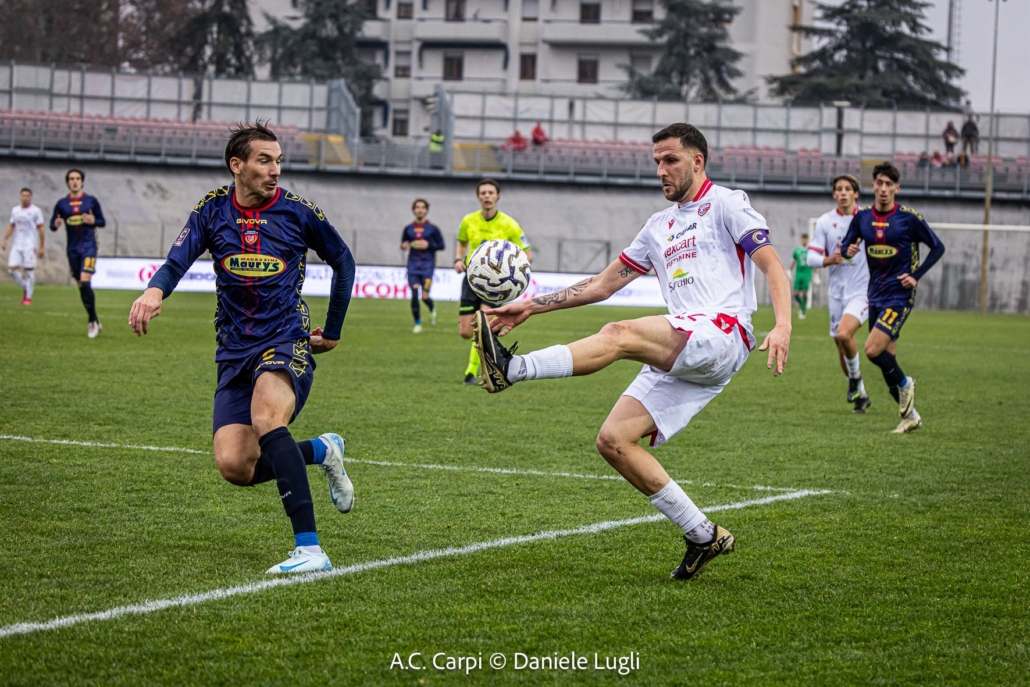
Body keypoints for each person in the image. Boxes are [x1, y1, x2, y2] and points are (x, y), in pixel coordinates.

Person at [472, 123, 792, 581]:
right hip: (686, 344)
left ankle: (512, 368)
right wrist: (530, 306)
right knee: (614, 440)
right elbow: (602, 285)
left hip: (722, 332)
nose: (661, 170)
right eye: (657, 162)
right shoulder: (657, 227)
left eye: (671, 160)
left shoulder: (727, 203)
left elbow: (772, 265)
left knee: (619, 333)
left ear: (697, 161)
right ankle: (703, 534)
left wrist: (782, 325)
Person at [128, 122, 357, 574]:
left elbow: (343, 260)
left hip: (285, 338)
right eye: (264, 160)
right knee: (236, 464)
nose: (275, 170)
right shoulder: (212, 210)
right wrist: (155, 291)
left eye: (278, 161)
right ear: (237, 165)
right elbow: (177, 259)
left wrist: (332, 330)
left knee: (266, 418)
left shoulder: (298, 212)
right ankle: (322, 451)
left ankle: (310, 550)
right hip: (233, 349)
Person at [841, 161, 945, 434]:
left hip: (899, 296)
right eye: (880, 183)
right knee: (887, 359)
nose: (884, 189)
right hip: (874, 295)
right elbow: (846, 244)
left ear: (896, 188)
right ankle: (910, 417)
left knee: (872, 350)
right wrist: (848, 250)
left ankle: (906, 384)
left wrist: (916, 275)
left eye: (889, 184)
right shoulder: (863, 217)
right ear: (873, 186)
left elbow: (937, 247)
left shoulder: (909, 218)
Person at [454, 179, 532, 385]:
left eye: (490, 192)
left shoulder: (510, 224)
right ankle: (485, 360)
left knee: (483, 325)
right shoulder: (468, 221)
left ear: (498, 196)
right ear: (478, 197)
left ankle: (471, 372)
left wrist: (508, 267)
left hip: (496, 284)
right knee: (465, 331)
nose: (487, 196)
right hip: (471, 279)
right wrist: (458, 259)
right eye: (483, 193)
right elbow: (462, 242)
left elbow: (527, 256)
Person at [806, 174, 871, 413]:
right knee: (841, 346)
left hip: (862, 290)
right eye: (839, 189)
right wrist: (829, 259)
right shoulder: (825, 222)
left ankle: (855, 380)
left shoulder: (869, 218)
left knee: (844, 334)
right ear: (834, 194)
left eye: (848, 189)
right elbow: (811, 257)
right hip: (836, 292)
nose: (843, 193)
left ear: (856, 194)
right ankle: (861, 393)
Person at [50, 169, 106, 337]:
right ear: (67, 182)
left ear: (82, 182)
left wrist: (93, 220)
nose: (74, 181)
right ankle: (95, 318)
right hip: (72, 249)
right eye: (71, 179)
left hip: (89, 247)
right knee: (81, 285)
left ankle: (91, 322)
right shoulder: (62, 204)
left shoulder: (91, 201)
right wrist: (56, 224)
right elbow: (52, 224)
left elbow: (102, 221)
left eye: (77, 178)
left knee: (85, 280)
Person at [401, 198, 445, 333]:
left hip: (427, 268)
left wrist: (429, 245)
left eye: (422, 207)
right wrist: (404, 245)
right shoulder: (408, 229)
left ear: (426, 210)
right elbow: (404, 243)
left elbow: (441, 245)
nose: (420, 210)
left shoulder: (433, 229)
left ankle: (432, 309)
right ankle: (417, 324)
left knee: (425, 296)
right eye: (417, 207)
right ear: (413, 210)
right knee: (414, 294)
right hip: (413, 267)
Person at [3, 188, 45, 305]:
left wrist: (41, 246)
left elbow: (41, 229)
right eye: (23, 196)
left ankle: (28, 297)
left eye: (27, 196)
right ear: (20, 197)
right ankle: (26, 287)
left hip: (30, 245)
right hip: (17, 245)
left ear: (30, 197)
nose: (25, 198)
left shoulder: (36, 211)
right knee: (11, 270)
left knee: (29, 270)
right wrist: (5, 239)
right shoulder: (15, 210)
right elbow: (11, 226)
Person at [789, 234, 813, 319]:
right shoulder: (797, 250)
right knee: (796, 293)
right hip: (798, 274)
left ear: (807, 240)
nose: (804, 241)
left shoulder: (810, 251)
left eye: (805, 239)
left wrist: (816, 274)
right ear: (801, 240)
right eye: (803, 239)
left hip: (807, 274)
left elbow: (813, 262)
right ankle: (802, 305)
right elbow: (793, 261)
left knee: (804, 293)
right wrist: (789, 271)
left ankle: (803, 311)